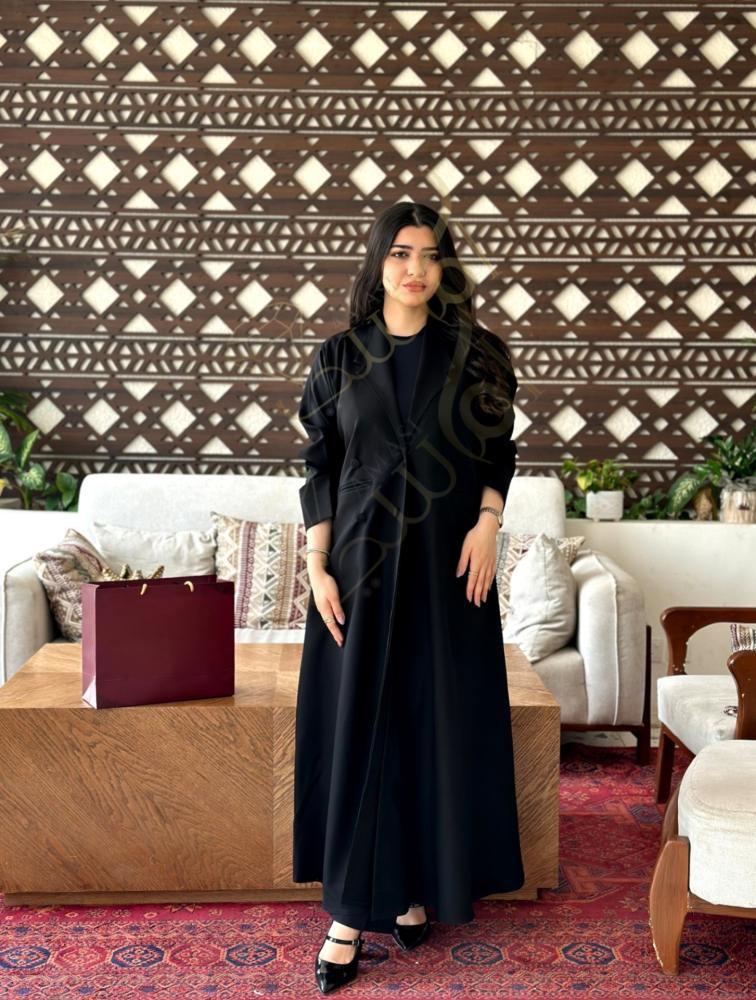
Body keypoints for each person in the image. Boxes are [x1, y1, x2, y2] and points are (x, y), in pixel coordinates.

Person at [293, 202, 524, 994]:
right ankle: (348, 916)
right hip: (358, 571)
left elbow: (499, 452)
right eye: (399, 253)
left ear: (445, 267)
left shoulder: (478, 355)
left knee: (433, 728)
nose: (414, 269)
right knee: (361, 734)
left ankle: (417, 887)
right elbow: (319, 465)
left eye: (429, 254)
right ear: (378, 263)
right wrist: (316, 566)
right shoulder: (337, 357)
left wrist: (490, 523)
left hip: (447, 570)